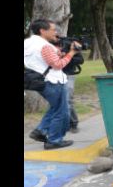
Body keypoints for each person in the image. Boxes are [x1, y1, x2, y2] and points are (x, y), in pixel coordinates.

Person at [24, 19, 81, 149]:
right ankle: (54, 140)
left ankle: (41, 131)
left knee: (56, 107)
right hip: (53, 81)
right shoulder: (45, 46)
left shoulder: (27, 43)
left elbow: (39, 59)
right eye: (53, 29)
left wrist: (57, 54)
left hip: (38, 80)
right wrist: (72, 53)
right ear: (42, 31)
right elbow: (58, 65)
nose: (55, 32)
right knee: (61, 111)